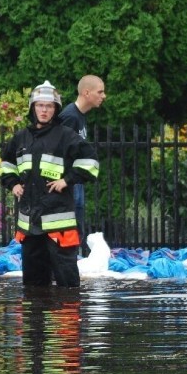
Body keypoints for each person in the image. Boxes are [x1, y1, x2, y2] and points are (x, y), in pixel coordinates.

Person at [0, 80, 99, 287]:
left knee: (67, 283)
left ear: (55, 109)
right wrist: (13, 183)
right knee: (33, 285)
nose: (44, 110)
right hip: (30, 225)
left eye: (49, 106)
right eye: (40, 105)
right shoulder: (21, 138)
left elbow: (91, 163)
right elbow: (7, 164)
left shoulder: (66, 136)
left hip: (59, 223)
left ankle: (67, 318)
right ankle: (34, 319)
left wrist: (67, 180)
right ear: (33, 108)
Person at [58, 75, 106, 246]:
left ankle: (73, 258)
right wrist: (67, 179)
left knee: (77, 222)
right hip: (68, 181)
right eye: (100, 92)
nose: (103, 96)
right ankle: (70, 259)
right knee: (72, 222)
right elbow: (60, 151)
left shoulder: (80, 116)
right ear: (86, 92)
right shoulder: (70, 117)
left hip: (74, 180)